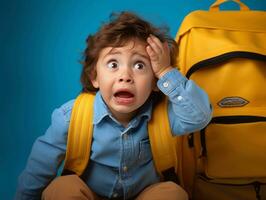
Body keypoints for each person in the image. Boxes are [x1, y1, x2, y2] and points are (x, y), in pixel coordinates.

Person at [15, 11, 212, 200]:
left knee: (172, 193)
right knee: (62, 188)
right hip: (90, 195)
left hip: (143, 194)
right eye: (113, 64)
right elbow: (40, 167)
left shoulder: (163, 114)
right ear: (94, 77)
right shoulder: (71, 116)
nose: (125, 76)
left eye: (139, 65)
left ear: (154, 82)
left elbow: (199, 117)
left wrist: (166, 72)